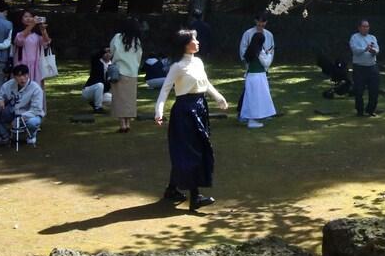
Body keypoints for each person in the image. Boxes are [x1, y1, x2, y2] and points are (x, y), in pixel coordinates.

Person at [154, 29, 229, 211]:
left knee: (191, 150)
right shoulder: (177, 67)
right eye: (193, 40)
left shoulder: (198, 62)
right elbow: (165, 90)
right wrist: (158, 111)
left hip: (200, 108)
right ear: (184, 45)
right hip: (185, 111)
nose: (197, 42)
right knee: (191, 152)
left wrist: (218, 97)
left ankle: (172, 189)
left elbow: (206, 83)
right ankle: (195, 197)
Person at [0, 63, 46, 146]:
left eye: (24, 75)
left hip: (30, 114)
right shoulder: (9, 84)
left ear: (28, 75)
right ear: (14, 77)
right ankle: (4, 137)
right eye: (18, 76)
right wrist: (0, 100)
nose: (22, 78)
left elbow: (36, 109)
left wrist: (19, 119)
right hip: (13, 110)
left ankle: (31, 136)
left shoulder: (36, 88)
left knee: (33, 122)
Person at [110, 16, 143, 133]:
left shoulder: (117, 37)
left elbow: (111, 51)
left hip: (119, 72)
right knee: (130, 100)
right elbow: (139, 57)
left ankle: (122, 124)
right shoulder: (137, 41)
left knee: (119, 99)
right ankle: (128, 123)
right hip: (132, 73)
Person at [238, 31, 276, 128]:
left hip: (250, 76)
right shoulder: (259, 51)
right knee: (258, 98)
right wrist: (270, 54)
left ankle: (251, 118)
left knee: (251, 98)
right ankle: (253, 120)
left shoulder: (250, 50)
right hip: (259, 77)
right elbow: (266, 63)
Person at [349, 19, 381, 117]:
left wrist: (373, 51)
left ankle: (370, 110)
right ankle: (360, 110)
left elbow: (377, 49)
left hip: (372, 67)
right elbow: (355, 50)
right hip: (359, 68)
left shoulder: (372, 37)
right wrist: (365, 49)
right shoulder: (354, 37)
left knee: (374, 90)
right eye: (364, 26)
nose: (366, 28)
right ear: (359, 27)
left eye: (367, 26)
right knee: (358, 90)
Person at [11, 10, 50, 89]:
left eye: (30, 16)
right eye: (26, 16)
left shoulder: (36, 35)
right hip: (21, 64)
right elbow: (19, 40)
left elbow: (46, 42)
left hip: (35, 66)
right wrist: (33, 24)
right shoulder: (18, 32)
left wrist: (43, 30)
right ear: (21, 19)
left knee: (35, 88)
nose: (28, 19)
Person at [83, 47, 118, 112]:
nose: (107, 54)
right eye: (105, 53)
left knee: (114, 99)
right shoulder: (96, 62)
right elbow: (93, 56)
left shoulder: (113, 65)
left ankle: (95, 102)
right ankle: (98, 108)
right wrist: (102, 51)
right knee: (99, 85)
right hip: (89, 91)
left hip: (102, 92)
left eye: (109, 52)